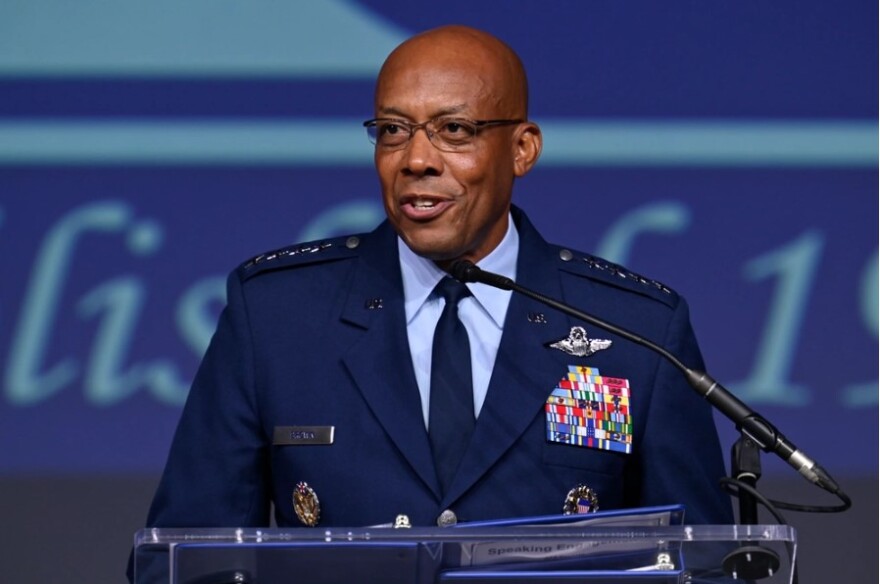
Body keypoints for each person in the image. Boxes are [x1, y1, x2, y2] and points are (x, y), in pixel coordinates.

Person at [137, 23, 732, 555]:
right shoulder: (275, 314)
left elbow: (700, 567)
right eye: (393, 130)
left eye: (454, 129)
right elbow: (189, 555)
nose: (416, 159)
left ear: (522, 149)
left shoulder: (634, 329)